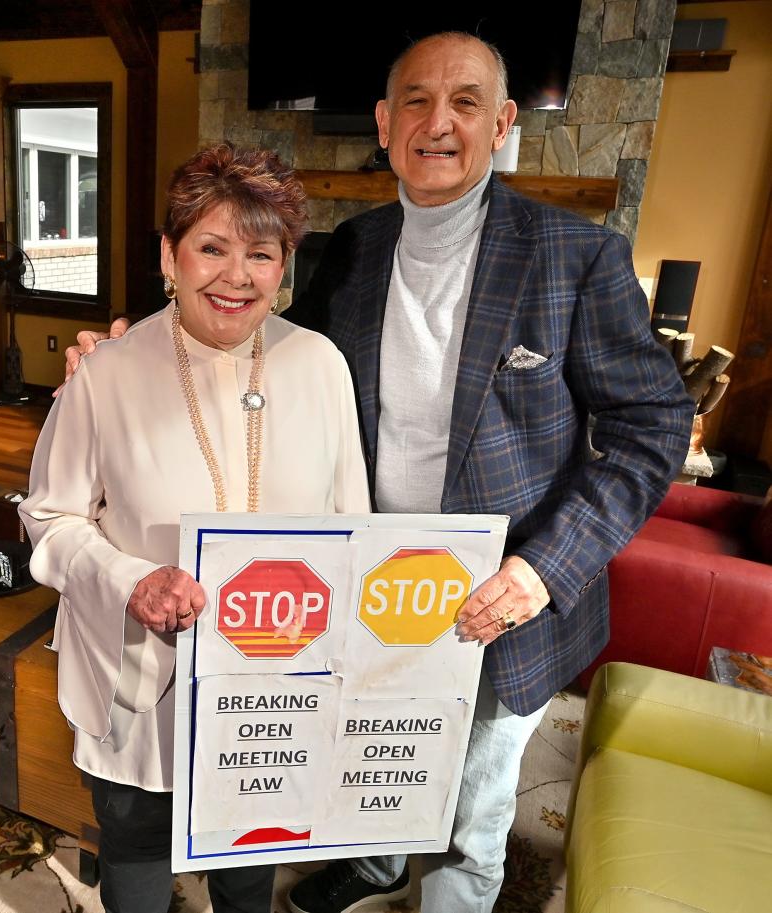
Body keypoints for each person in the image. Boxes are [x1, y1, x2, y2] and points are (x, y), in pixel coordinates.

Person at [63, 32, 693, 913]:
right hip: (356, 592)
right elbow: (257, 345)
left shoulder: (574, 257)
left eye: (466, 102)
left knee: (468, 817)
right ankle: (373, 862)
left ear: (504, 123)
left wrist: (542, 571)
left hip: (492, 602)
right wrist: (132, 342)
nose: (440, 123)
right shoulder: (353, 250)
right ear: (385, 123)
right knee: (370, 768)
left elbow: (655, 421)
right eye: (418, 102)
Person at [20, 143, 371, 913]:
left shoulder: (321, 366)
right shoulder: (107, 373)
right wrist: (130, 580)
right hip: (143, 678)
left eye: (261, 253)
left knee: (249, 860)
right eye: (211, 247)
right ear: (168, 257)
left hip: (272, 689)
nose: (236, 275)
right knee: (138, 842)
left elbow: (353, 530)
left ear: (286, 266)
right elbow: (47, 517)